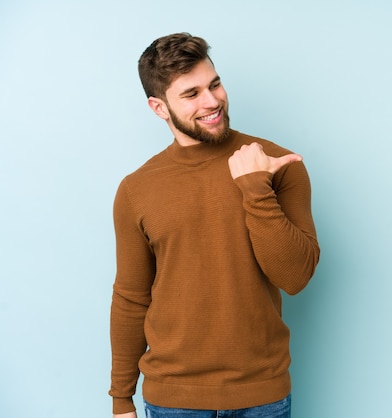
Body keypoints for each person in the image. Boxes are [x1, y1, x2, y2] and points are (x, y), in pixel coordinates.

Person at [108, 32, 320, 418]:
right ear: (159, 107)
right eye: (191, 94)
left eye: (215, 84)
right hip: (173, 400)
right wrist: (121, 398)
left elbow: (295, 276)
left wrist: (256, 190)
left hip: (263, 396)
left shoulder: (275, 164)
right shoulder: (136, 189)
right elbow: (132, 297)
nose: (212, 102)